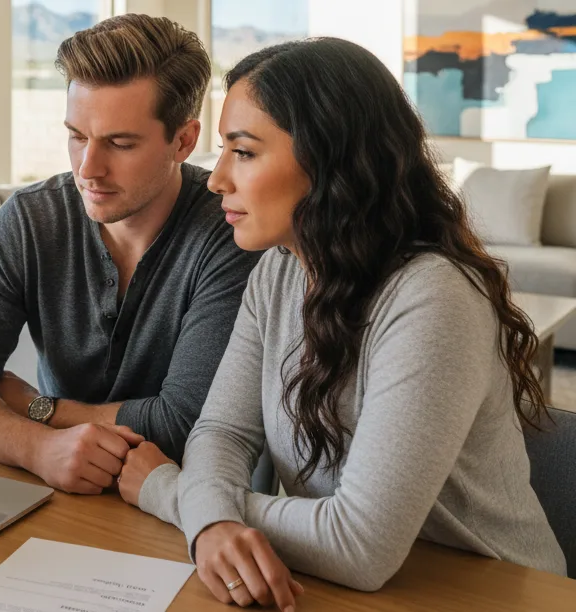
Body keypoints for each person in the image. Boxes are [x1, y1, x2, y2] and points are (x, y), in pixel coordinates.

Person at [117, 37, 567, 609]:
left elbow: (359, 545)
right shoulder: (277, 272)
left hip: (493, 594)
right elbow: (223, 433)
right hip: (343, 589)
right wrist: (211, 523)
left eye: (246, 152)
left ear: (330, 161)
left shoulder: (433, 297)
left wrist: (171, 491)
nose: (216, 178)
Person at [0, 14, 261, 495]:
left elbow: (184, 424)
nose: (88, 169)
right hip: (50, 497)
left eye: (119, 143)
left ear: (183, 140)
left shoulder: (231, 232)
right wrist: (37, 448)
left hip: (181, 512)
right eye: (77, 136)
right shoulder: (31, 220)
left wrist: (38, 408)